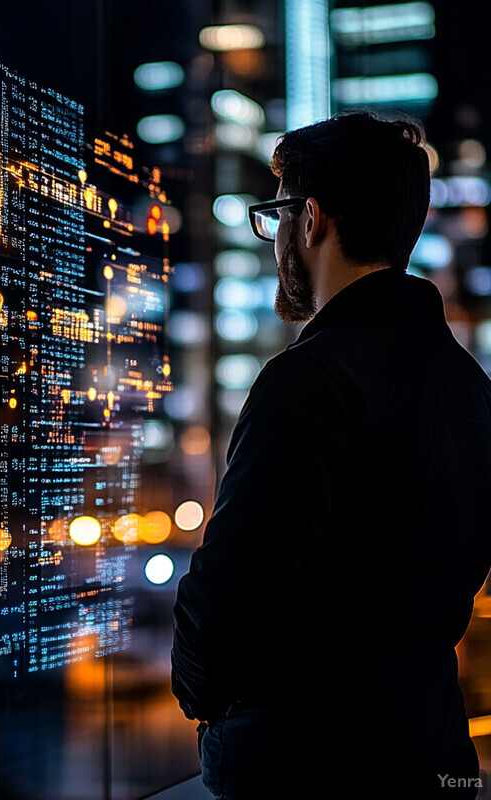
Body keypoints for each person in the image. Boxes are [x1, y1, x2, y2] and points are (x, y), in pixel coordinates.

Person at [171, 110, 491, 800]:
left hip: (307, 761)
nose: (277, 237)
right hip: (435, 751)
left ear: (310, 220)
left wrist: (204, 703)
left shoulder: (309, 378)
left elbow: (229, 590)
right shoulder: (472, 387)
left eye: (277, 216)